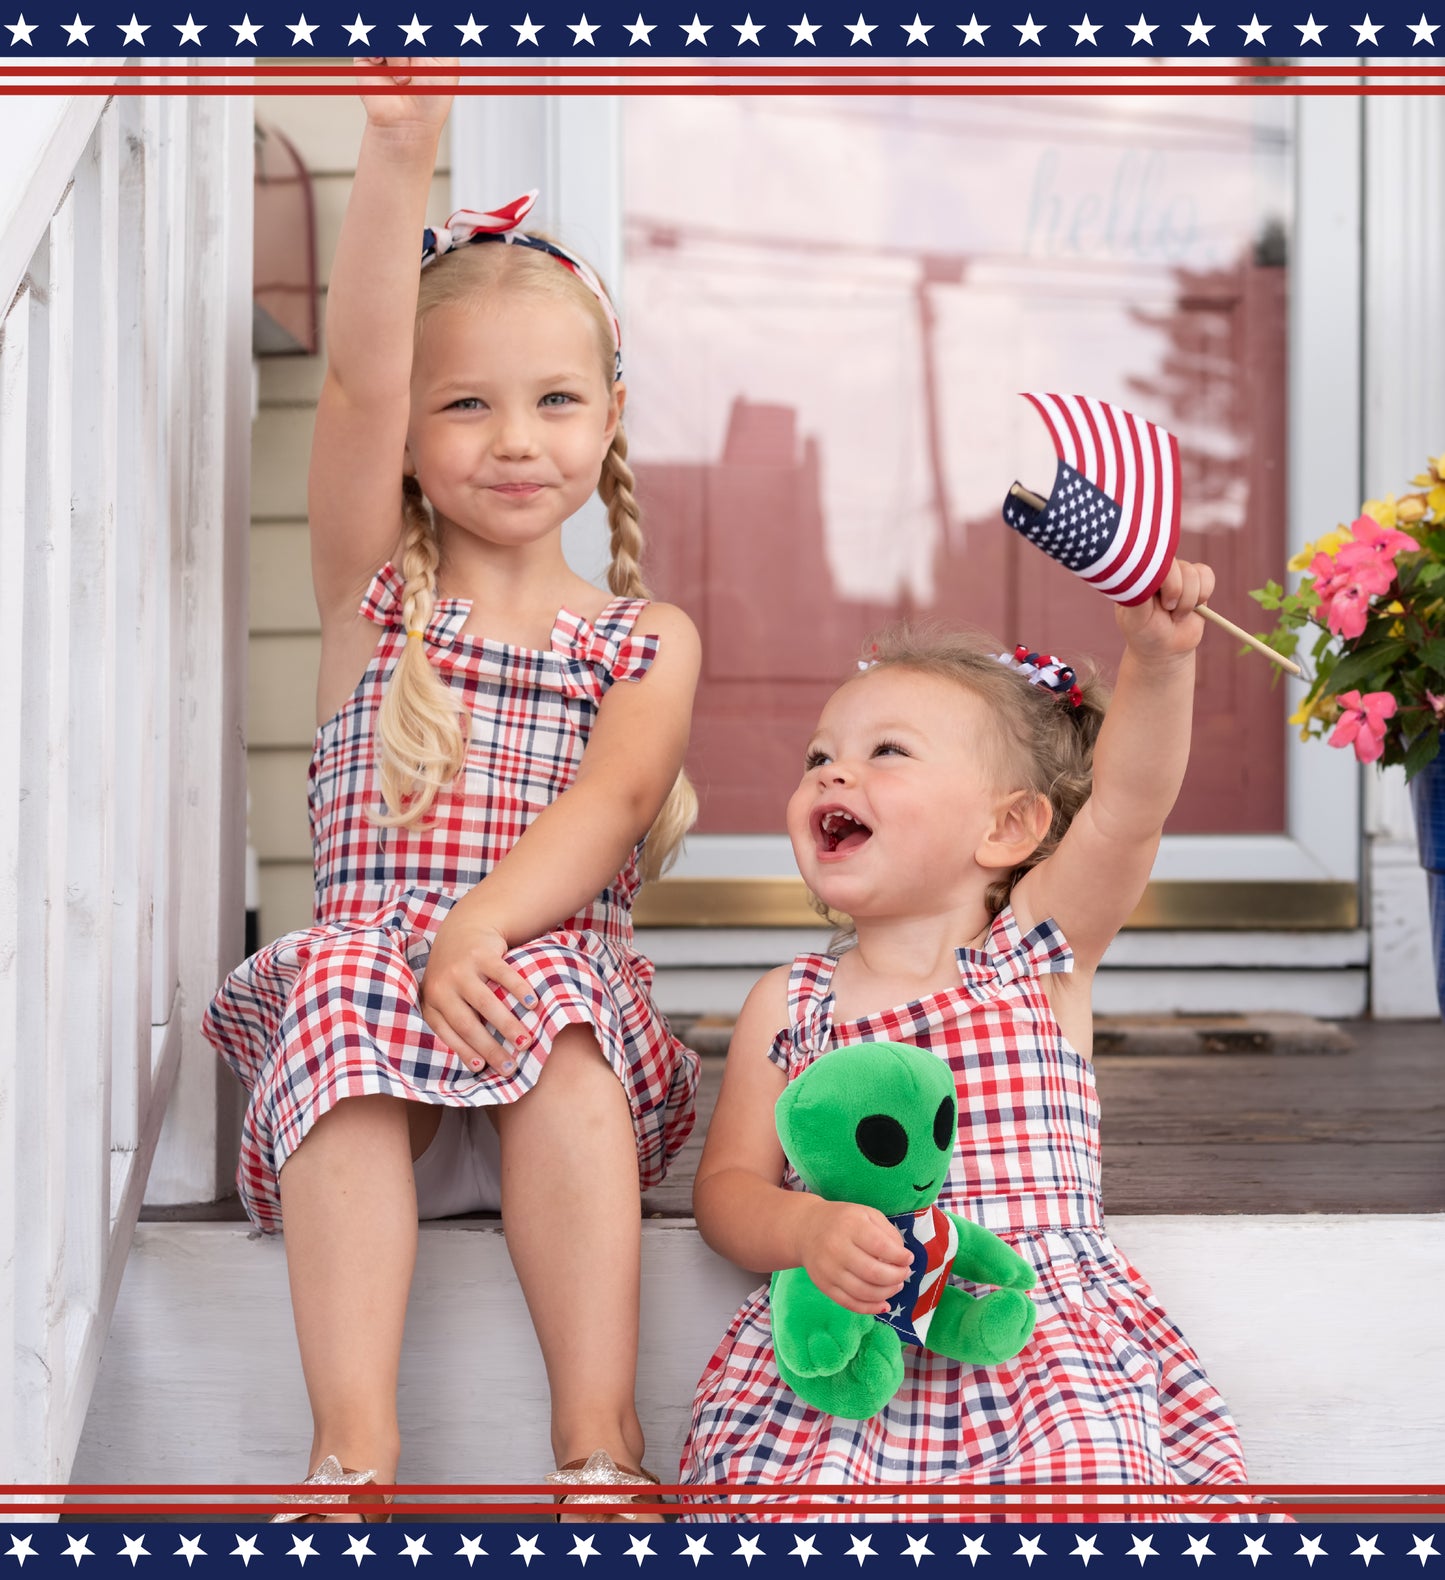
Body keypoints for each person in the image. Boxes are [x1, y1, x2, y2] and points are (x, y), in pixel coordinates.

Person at [204, 61, 700, 1523]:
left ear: (609, 417)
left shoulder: (642, 637)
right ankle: (350, 1458)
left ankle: (596, 1449)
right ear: (415, 441)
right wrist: (399, 144)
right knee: (354, 975)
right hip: (374, 1087)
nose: (513, 438)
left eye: (554, 400)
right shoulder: (374, 602)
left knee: (551, 997)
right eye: (465, 405)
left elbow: (608, 806)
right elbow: (354, 372)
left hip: (549, 1054)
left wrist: (481, 927)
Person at [680, 559, 1261, 1522]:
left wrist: (1158, 665)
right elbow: (726, 1191)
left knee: (1084, 1492)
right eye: (818, 756)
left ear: (1008, 826)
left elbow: (1127, 811)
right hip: (853, 1355)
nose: (832, 771)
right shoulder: (790, 1004)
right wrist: (804, 1230)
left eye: (887, 752)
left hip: (1028, 1338)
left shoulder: (1036, 955)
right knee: (798, 1508)